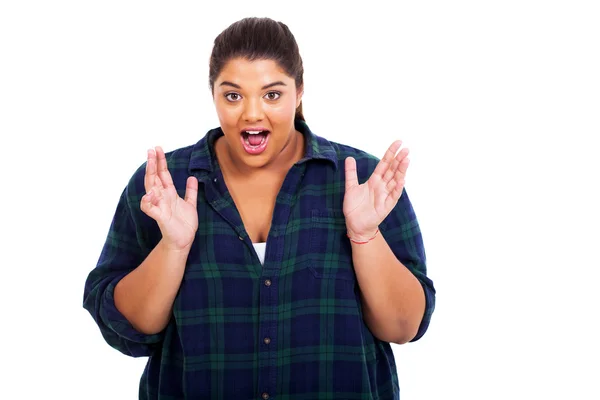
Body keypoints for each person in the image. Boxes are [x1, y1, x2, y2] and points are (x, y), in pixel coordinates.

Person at [83, 17, 436, 400]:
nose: (252, 114)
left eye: (272, 94)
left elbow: (404, 327)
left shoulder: (365, 181)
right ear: (213, 94)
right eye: (233, 95)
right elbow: (129, 328)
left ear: (299, 92)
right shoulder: (162, 185)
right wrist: (173, 246)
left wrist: (365, 236)